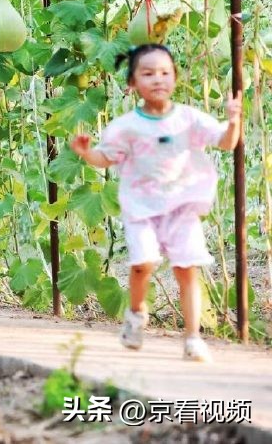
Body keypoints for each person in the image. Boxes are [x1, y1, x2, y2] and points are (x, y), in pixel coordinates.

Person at [71, 44, 242, 362]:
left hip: (181, 207)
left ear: (175, 78)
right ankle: (136, 316)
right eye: (148, 73)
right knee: (143, 264)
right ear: (133, 83)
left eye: (164, 72)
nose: (157, 79)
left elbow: (226, 142)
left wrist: (233, 120)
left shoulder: (189, 119)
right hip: (141, 209)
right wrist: (85, 153)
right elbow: (105, 158)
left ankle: (193, 338)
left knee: (186, 269)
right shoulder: (126, 127)